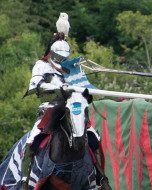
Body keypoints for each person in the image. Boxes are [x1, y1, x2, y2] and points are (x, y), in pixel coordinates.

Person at [21, 33, 107, 187]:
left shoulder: (71, 68)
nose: (60, 60)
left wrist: (84, 92)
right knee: (32, 140)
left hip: (73, 108)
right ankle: (25, 180)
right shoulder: (41, 65)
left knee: (94, 137)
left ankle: (100, 178)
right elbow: (34, 87)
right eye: (58, 56)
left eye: (63, 57)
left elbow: (82, 86)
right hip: (51, 109)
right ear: (51, 52)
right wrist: (56, 87)